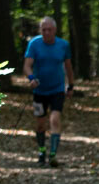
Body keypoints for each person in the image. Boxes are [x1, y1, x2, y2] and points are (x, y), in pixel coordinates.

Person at [23, 16, 75, 168]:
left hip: (57, 89)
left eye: (49, 30)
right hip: (39, 90)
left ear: (55, 30)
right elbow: (27, 66)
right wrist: (31, 78)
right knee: (40, 124)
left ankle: (53, 154)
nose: (46, 33)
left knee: (55, 119)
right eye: (44, 30)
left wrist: (71, 86)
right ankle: (41, 151)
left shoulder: (63, 45)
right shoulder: (34, 44)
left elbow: (68, 67)